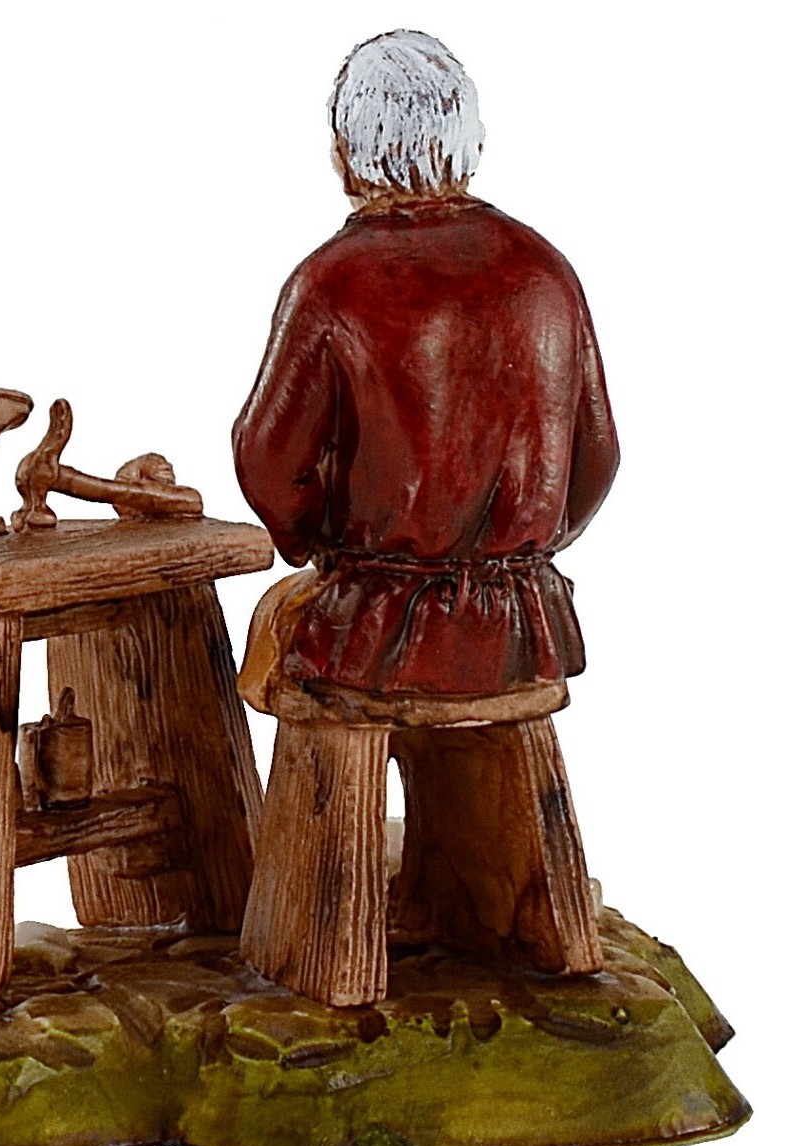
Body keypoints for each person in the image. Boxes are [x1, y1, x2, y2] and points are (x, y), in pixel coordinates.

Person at [233, 30, 620, 1006]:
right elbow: (599, 457)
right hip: (526, 627)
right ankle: (497, 915)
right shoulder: (544, 272)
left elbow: (267, 459)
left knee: (271, 636)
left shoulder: (332, 283)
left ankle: (321, 941)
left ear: (346, 149)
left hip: (375, 629)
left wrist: (315, 548)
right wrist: (525, 550)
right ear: (471, 141)